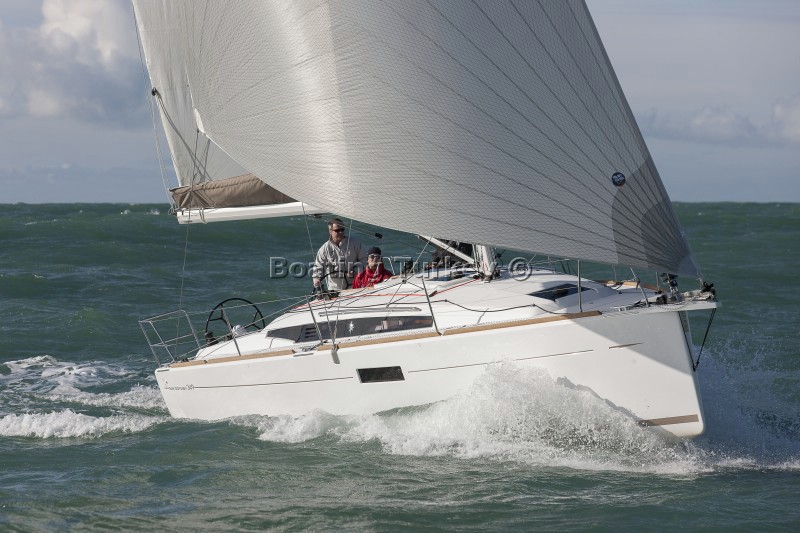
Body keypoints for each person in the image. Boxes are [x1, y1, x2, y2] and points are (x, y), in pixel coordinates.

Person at [312, 218, 365, 292]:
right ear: (330, 231)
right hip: (335, 290)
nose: (341, 232)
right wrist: (317, 280)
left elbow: (364, 259)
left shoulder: (355, 243)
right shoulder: (324, 248)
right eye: (337, 230)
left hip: (354, 287)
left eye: (342, 229)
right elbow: (318, 267)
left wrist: (356, 270)